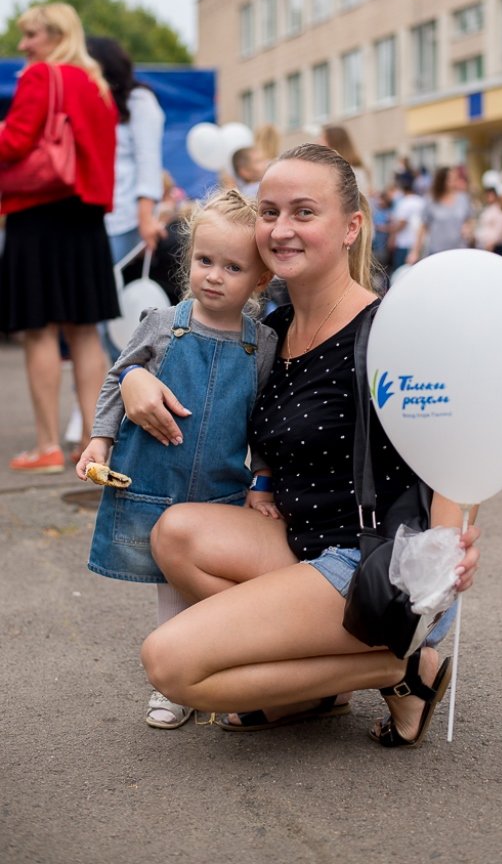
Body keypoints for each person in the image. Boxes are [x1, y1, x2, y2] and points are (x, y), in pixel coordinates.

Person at [119, 143, 480, 747]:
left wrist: (443, 563)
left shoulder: (390, 331)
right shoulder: (272, 330)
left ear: (351, 227)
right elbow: (183, 360)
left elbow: (451, 450)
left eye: (303, 212)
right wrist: (133, 377)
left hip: (368, 563)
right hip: (298, 541)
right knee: (175, 533)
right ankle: (315, 687)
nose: (281, 229)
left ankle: (399, 667)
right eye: (269, 212)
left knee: (171, 664)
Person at [76, 189, 277, 727]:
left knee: (206, 582)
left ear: (260, 279)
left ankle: (210, 666)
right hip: (157, 481)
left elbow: (264, 420)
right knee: (170, 582)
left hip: (221, 490)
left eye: (232, 267)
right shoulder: (163, 323)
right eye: (204, 261)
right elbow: (119, 378)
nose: (214, 276)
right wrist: (100, 439)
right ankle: (170, 686)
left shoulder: (262, 344)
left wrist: (263, 478)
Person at [0, 3, 119, 473]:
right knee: (85, 330)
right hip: (85, 218)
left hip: (38, 213)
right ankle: (92, 444)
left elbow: (15, 142)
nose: (23, 45)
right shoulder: (96, 84)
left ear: (57, 34)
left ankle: (48, 445)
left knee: (40, 330)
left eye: (31, 35)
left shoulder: (40, 76)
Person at [86, 36, 166, 268]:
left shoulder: (139, 101)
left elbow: (148, 160)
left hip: (124, 217)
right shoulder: (90, 101)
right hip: (93, 214)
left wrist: (145, 218)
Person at [408, 166, 474, 263]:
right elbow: (423, 227)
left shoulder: (463, 199)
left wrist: (468, 229)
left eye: (455, 178)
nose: (453, 182)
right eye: (450, 179)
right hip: (437, 253)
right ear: (441, 181)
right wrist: (415, 251)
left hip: (459, 251)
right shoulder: (431, 200)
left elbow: (469, 220)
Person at [319, 124, 371, 196]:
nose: (318, 141)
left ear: (334, 142)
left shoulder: (353, 173)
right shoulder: (327, 169)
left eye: (322, 138)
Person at [389, 176, 425, 269]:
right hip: (417, 242)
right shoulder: (421, 201)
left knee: (401, 270)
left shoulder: (404, 202)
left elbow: (402, 223)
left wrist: (392, 235)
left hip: (404, 242)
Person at [475, 186, 502, 256]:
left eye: (490, 195)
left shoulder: (499, 210)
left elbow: (500, 228)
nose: (489, 197)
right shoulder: (487, 209)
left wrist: (492, 243)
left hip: (494, 246)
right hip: (485, 245)